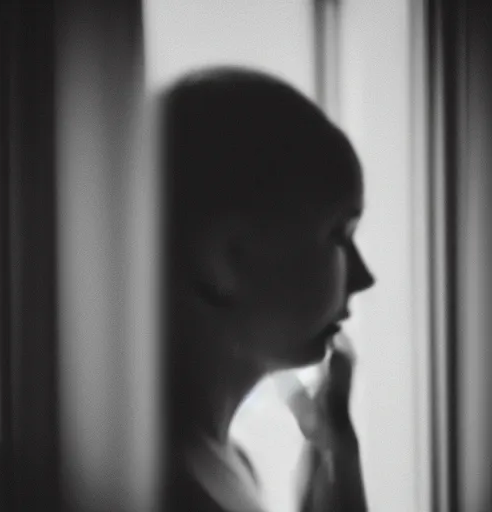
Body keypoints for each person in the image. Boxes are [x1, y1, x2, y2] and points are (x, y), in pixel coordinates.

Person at [159, 66, 375, 512]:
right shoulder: (131, 484)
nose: (363, 277)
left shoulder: (228, 463)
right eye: (339, 233)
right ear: (223, 259)